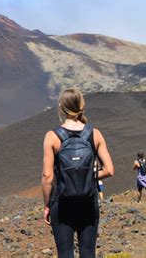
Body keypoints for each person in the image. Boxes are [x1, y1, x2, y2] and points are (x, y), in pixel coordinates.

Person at [41, 88, 114, 258]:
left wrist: (46, 206)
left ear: (61, 107)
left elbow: (47, 177)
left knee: (65, 253)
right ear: (82, 105)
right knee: (88, 253)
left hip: (62, 202)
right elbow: (109, 170)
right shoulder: (95, 134)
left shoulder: (52, 137)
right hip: (88, 201)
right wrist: (89, 176)